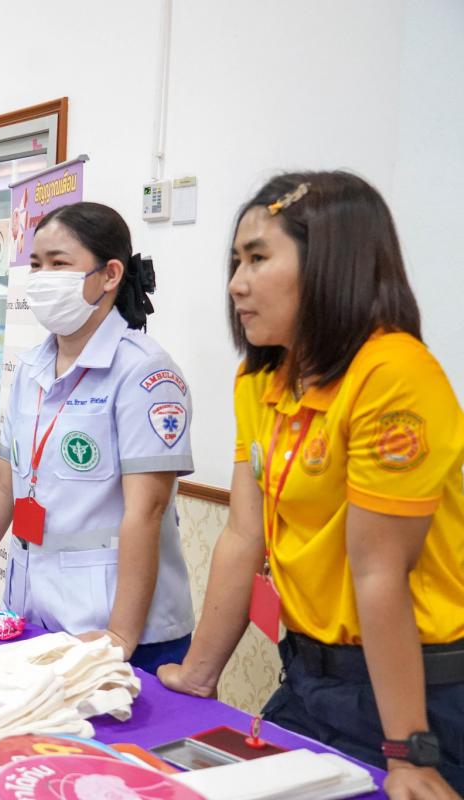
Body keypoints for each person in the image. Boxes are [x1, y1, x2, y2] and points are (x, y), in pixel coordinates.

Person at [158, 172, 464, 798]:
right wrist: (199, 673)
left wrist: (408, 751)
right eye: (236, 261)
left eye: (258, 258)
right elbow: (243, 534)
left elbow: (379, 570)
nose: (236, 283)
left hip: (418, 694)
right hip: (307, 674)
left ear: (330, 263)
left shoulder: (393, 373)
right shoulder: (260, 378)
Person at [0, 202, 194, 674]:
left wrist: (120, 636)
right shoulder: (31, 368)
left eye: (59, 264)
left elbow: (147, 510)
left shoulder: (144, 372)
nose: (42, 278)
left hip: (119, 631)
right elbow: (1, 482)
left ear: (110, 275)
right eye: (36, 265)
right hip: (35, 613)